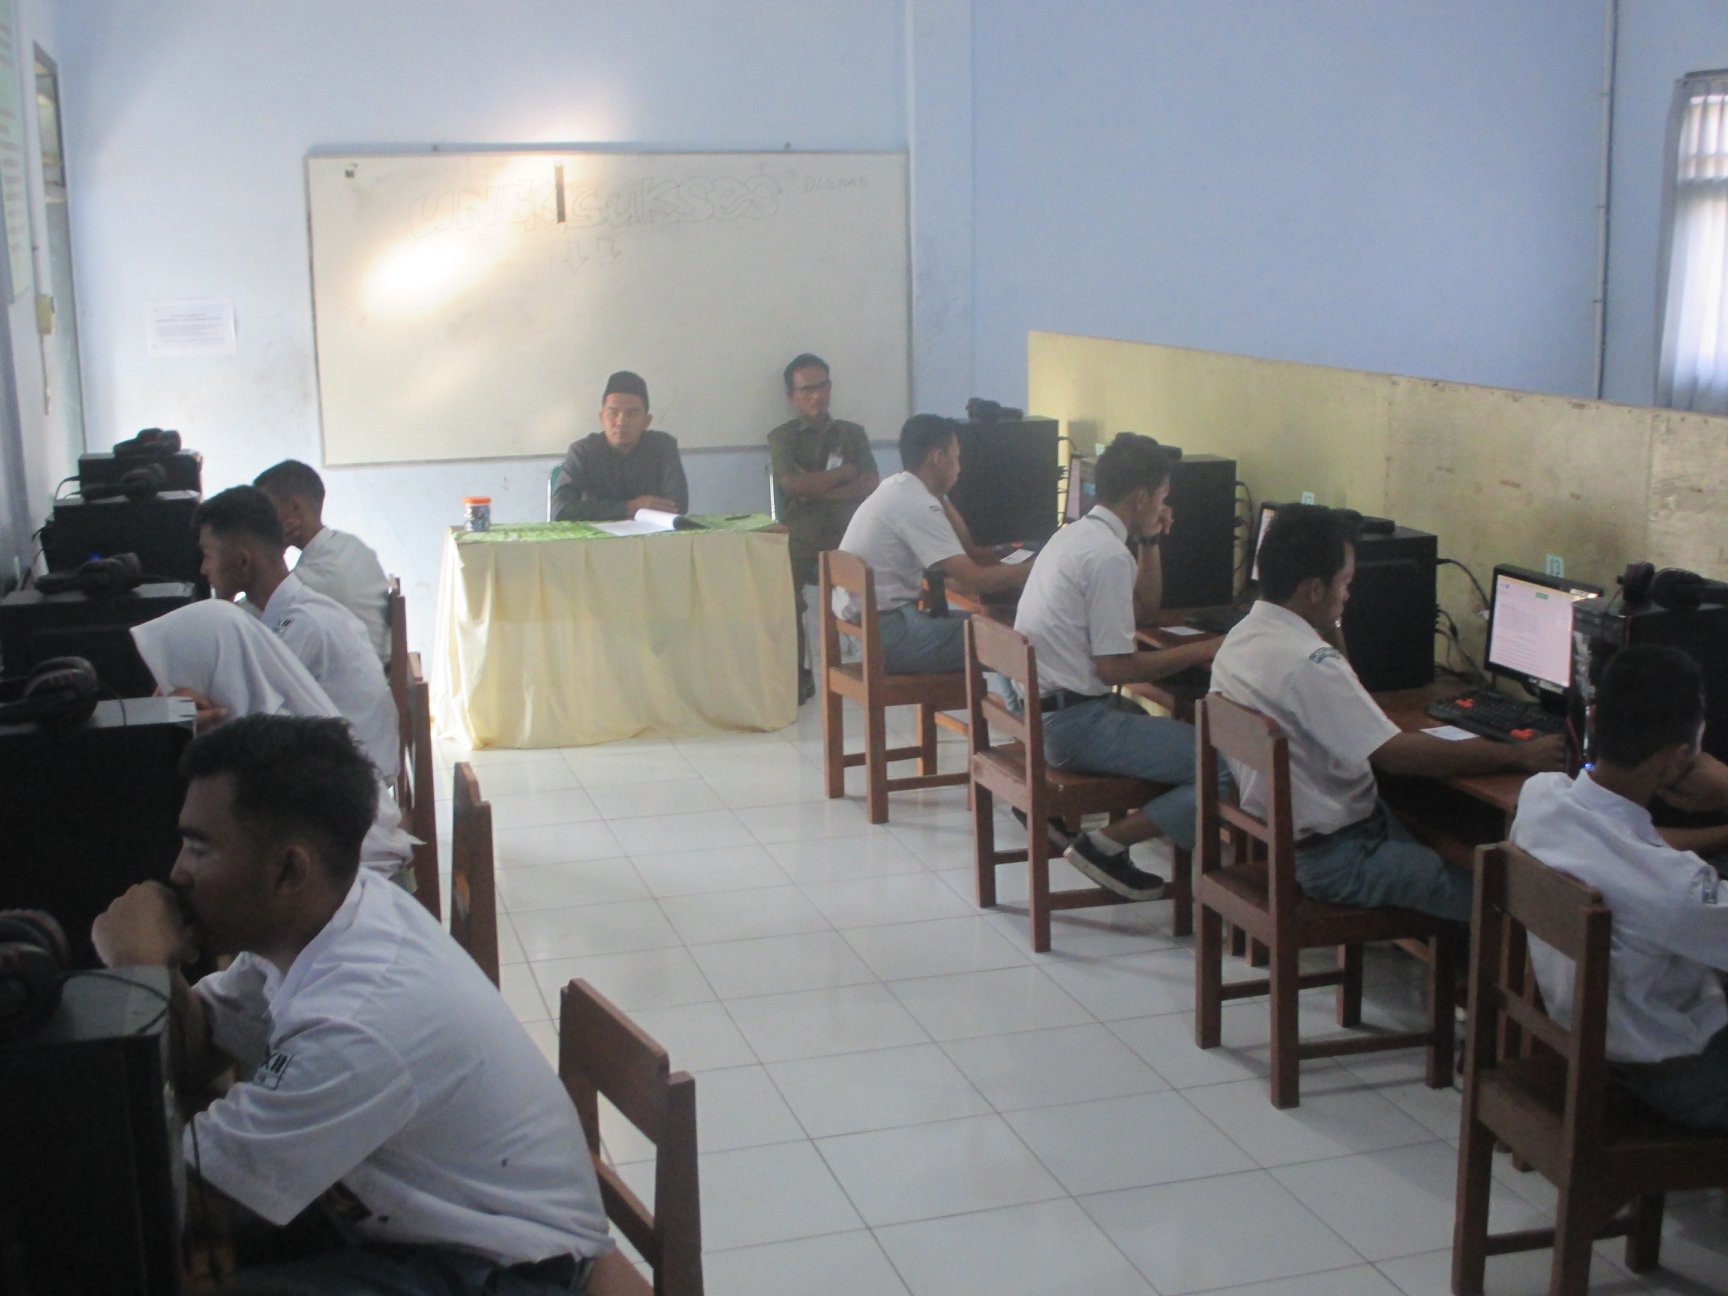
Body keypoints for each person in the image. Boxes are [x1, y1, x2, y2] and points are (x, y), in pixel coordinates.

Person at [90, 714, 613, 1293]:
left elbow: (179, 1197)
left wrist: (134, 971)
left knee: (140, 1259)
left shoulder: (357, 1020)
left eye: (199, 849)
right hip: (401, 1217)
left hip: (502, 1267)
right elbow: (202, 1045)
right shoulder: (321, 920)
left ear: (289, 870)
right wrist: (154, 973)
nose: (176, 872)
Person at [1209, 503, 1563, 922]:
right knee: (1502, 901)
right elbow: (1396, 755)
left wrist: (1330, 621)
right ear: (1314, 590)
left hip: (1302, 840)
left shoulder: (1241, 638)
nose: (1349, 594)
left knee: (1442, 836)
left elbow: (1346, 691)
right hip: (1341, 857)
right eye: (1345, 583)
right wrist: (1518, 755)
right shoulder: (1309, 663)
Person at [1511, 645, 1728, 1130]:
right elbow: (1657, 873)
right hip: (1677, 1074)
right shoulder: (1679, 892)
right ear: (1677, 758)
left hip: (1586, 1041)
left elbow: (1633, 849)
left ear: (1593, 719)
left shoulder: (1541, 798)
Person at [1014, 433, 1221, 899]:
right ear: (1142, 497)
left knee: (1153, 724)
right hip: (1074, 728)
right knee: (1224, 762)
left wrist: (1150, 540)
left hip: (1045, 714)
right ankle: (1104, 846)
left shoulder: (1076, 536)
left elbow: (1143, 610)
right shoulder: (1106, 556)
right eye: (1162, 497)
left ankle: (1128, 836)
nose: (1165, 507)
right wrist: (1205, 649)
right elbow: (1115, 669)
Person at [131, 598, 416, 876]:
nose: (160, 694)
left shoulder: (275, 759)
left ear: (209, 671)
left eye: (169, 677)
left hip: (356, 880)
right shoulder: (263, 725)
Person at [195, 485, 400, 782]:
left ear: (243, 561)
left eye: (207, 555)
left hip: (356, 789)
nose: (203, 569)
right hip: (347, 771)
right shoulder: (294, 608)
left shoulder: (303, 624)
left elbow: (253, 726)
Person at [834, 413, 1031, 674]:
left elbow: (968, 549)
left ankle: (1012, 699)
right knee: (1011, 638)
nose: (959, 468)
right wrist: (1036, 568)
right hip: (889, 636)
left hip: (871, 629)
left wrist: (941, 496)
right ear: (938, 458)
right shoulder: (916, 504)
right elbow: (976, 580)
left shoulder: (899, 487)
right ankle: (1021, 700)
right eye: (956, 458)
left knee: (997, 625)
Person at [768, 353, 880, 701]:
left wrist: (819, 489)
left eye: (823, 386)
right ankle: (797, 674)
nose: (817, 396)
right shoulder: (782, 437)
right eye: (807, 390)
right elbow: (792, 485)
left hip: (849, 534)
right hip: (801, 537)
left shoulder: (852, 433)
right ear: (792, 396)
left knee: (883, 570)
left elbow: (871, 483)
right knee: (781, 590)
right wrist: (845, 473)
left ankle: (880, 663)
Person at [253, 459, 392, 668]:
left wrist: (268, 552)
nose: (260, 523)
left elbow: (245, 618)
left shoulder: (316, 574)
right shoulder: (351, 545)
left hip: (346, 681)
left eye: (266, 511)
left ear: (294, 507)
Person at [551, 370, 689, 522]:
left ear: (646, 421)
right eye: (613, 413)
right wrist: (629, 508)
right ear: (602, 418)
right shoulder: (582, 451)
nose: (621, 422)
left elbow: (678, 506)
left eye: (632, 414)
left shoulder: (663, 446)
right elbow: (560, 511)